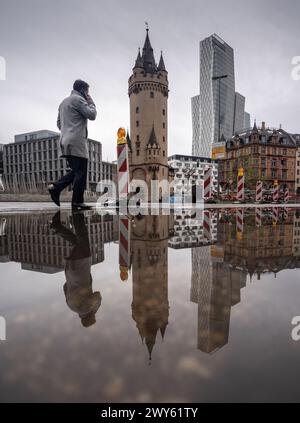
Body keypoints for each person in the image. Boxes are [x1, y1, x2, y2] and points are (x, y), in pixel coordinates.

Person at [48, 79, 97, 210]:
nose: (88, 94)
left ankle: (57, 188)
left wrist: (68, 128)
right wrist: (91, 102)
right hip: (76, 141)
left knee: (76, 171)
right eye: (87, 91)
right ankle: (76, 201)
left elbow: (59, 124)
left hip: (65, 141)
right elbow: (92, 115)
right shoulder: (78, 99)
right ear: (82, 90)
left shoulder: (63, 103)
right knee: (81, 172)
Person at [50, 211, 102, 327]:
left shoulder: (87, 309)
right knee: (77, 242)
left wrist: (95, 309)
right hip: (70, 270)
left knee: (82, 236)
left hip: (81, 266)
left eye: (94, 317)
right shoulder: (71, 306)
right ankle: (57, 227)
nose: (94, 315)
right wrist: (73, 281)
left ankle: (77, 213)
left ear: (90, 317)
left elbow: (98, 296)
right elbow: (64, 287)